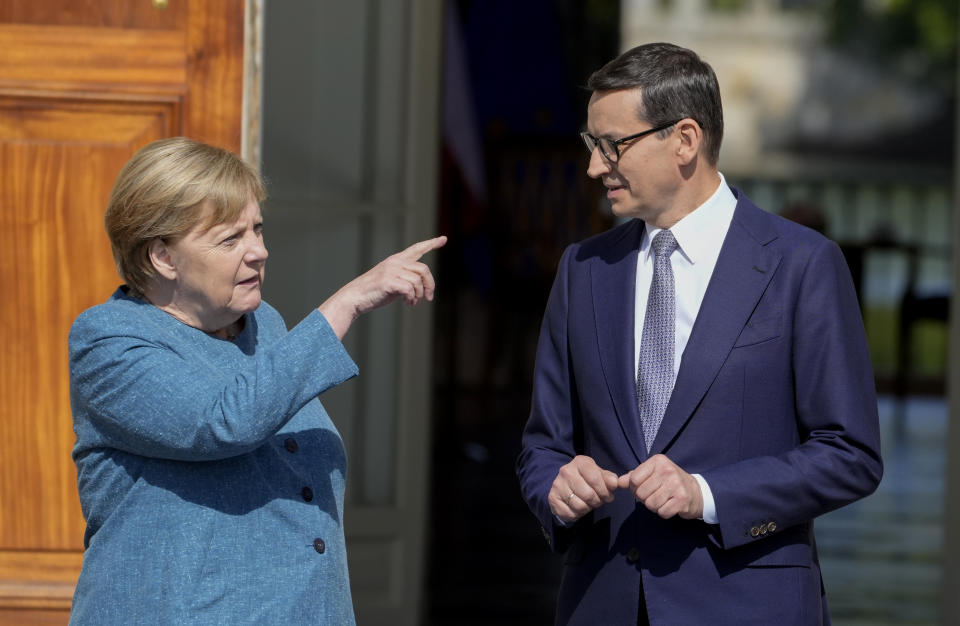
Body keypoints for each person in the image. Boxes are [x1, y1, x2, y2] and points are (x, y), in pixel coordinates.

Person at [516, 43, 882, 625]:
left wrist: (707, 494)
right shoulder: (582, 269)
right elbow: (542, 445)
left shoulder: (801, 264)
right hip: (600, 604)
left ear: (684, 139)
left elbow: (850, 454)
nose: (593, 167)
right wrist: (556, 489)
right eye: (591, 145)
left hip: (745, 605)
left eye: (613, 145)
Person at [68, 137, 445, 624]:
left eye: (258, 230)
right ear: (162, 257)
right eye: (231, 239)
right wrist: (346, 302)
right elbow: (221, 422)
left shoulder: (265, 325)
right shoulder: (109, 340)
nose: (259, 252)